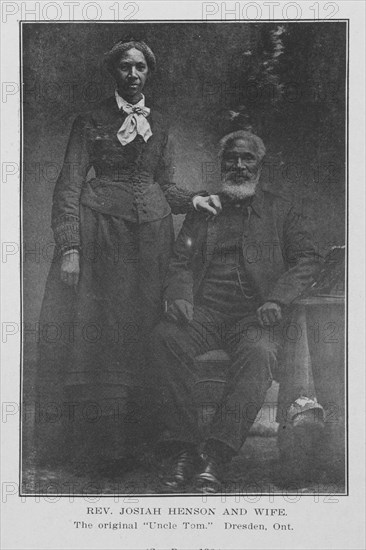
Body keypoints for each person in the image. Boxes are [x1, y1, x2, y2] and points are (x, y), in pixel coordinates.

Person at [34, 38, 221, 475]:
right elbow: (68, 185)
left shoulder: (164, 124)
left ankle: (149, 446)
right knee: (100, 336)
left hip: (152, 241)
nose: (133, 75)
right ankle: (101, 451)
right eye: (125, 67)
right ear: (113, 72)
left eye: (140, 68)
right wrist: (70, 247)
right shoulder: (91, 120)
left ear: (148, 73)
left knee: (145, 332)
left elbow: (167, 185)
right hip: (101, 237)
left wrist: (193, 200)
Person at [149, 130, 322, 493]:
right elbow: (181, 258)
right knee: (165, 337)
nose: (239, 166)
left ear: (260, 167)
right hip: (206, 313)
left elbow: (307, 260)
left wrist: (277, 298)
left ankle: (216, 455)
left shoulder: (280, 209)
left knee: (260, 353)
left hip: (254, 317)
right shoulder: (205, 211)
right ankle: (182, 448)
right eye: (232, 159)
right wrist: (180, 293)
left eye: (248, 160)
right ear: (222, 164)